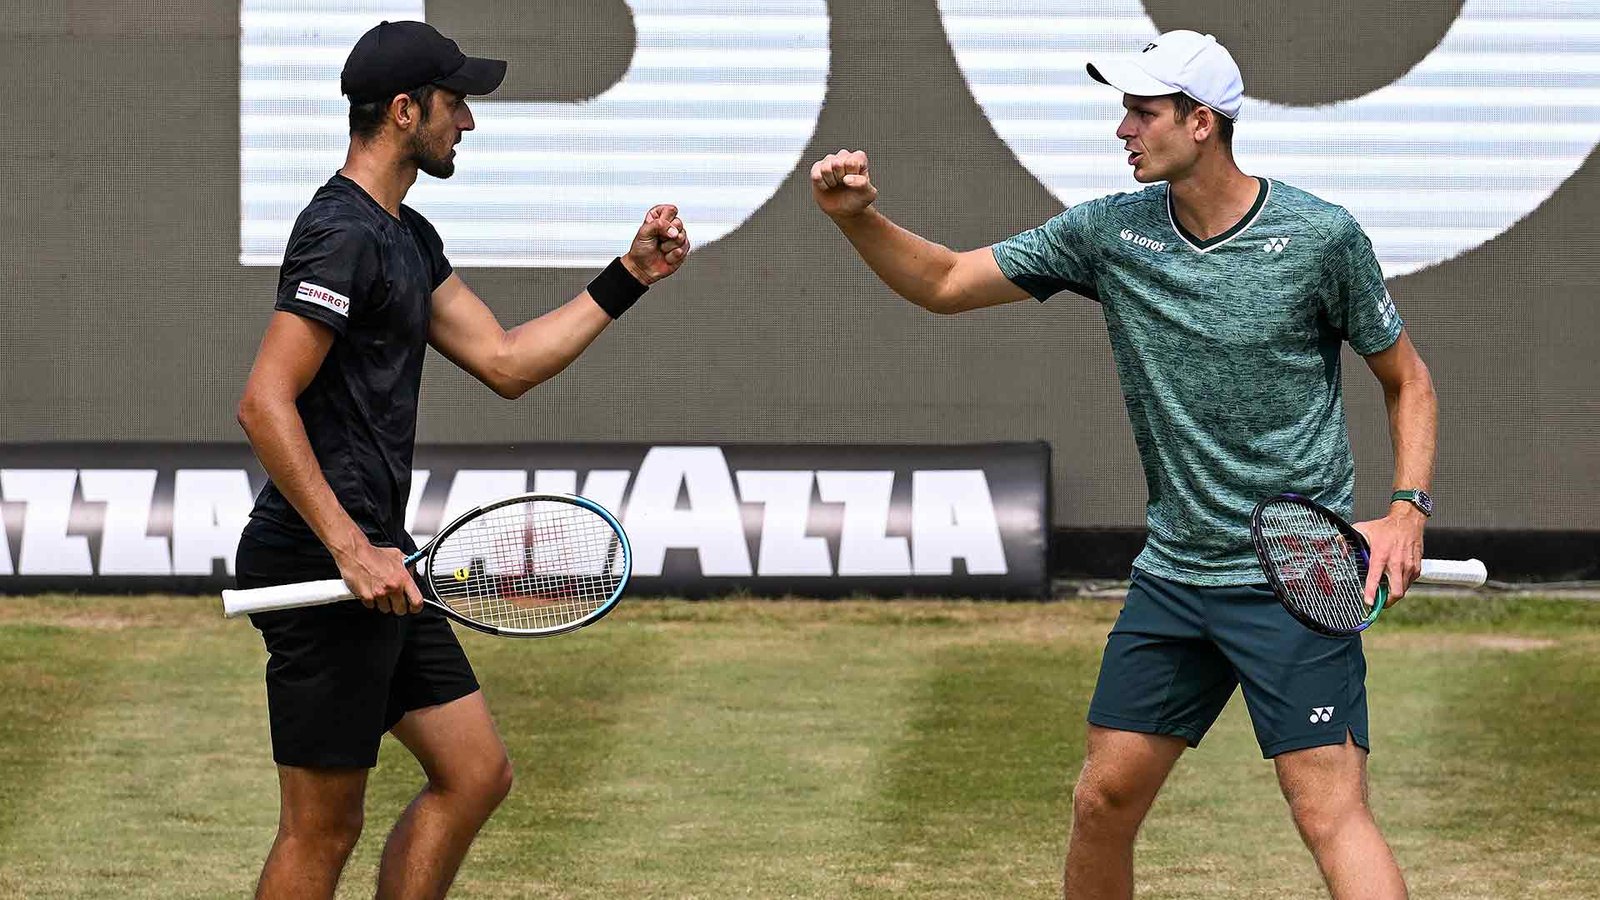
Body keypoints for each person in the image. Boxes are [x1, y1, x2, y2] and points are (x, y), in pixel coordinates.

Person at [811, 30, 1433, 900]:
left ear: (1202, 123)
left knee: (1327, 810)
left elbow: (1407, 380)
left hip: (1294, 575)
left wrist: (1406, 511)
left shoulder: (1321, 237)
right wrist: (858, 219)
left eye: (1143, 112)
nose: (1123, 130)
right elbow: (946, 282)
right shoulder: (1111, 231)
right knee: (1102, 800)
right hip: (1176, 577)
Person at [233, 20, 689, 899]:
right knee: (322, 828)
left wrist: (628, 275)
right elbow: (264, 401)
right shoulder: (341, 233)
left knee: (475, 772)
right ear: (405, 111)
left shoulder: (406, 235)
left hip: (380, 557)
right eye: (456, 103)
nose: (467, 122)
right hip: (322, 560)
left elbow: (505, 361)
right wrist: (348, 549)